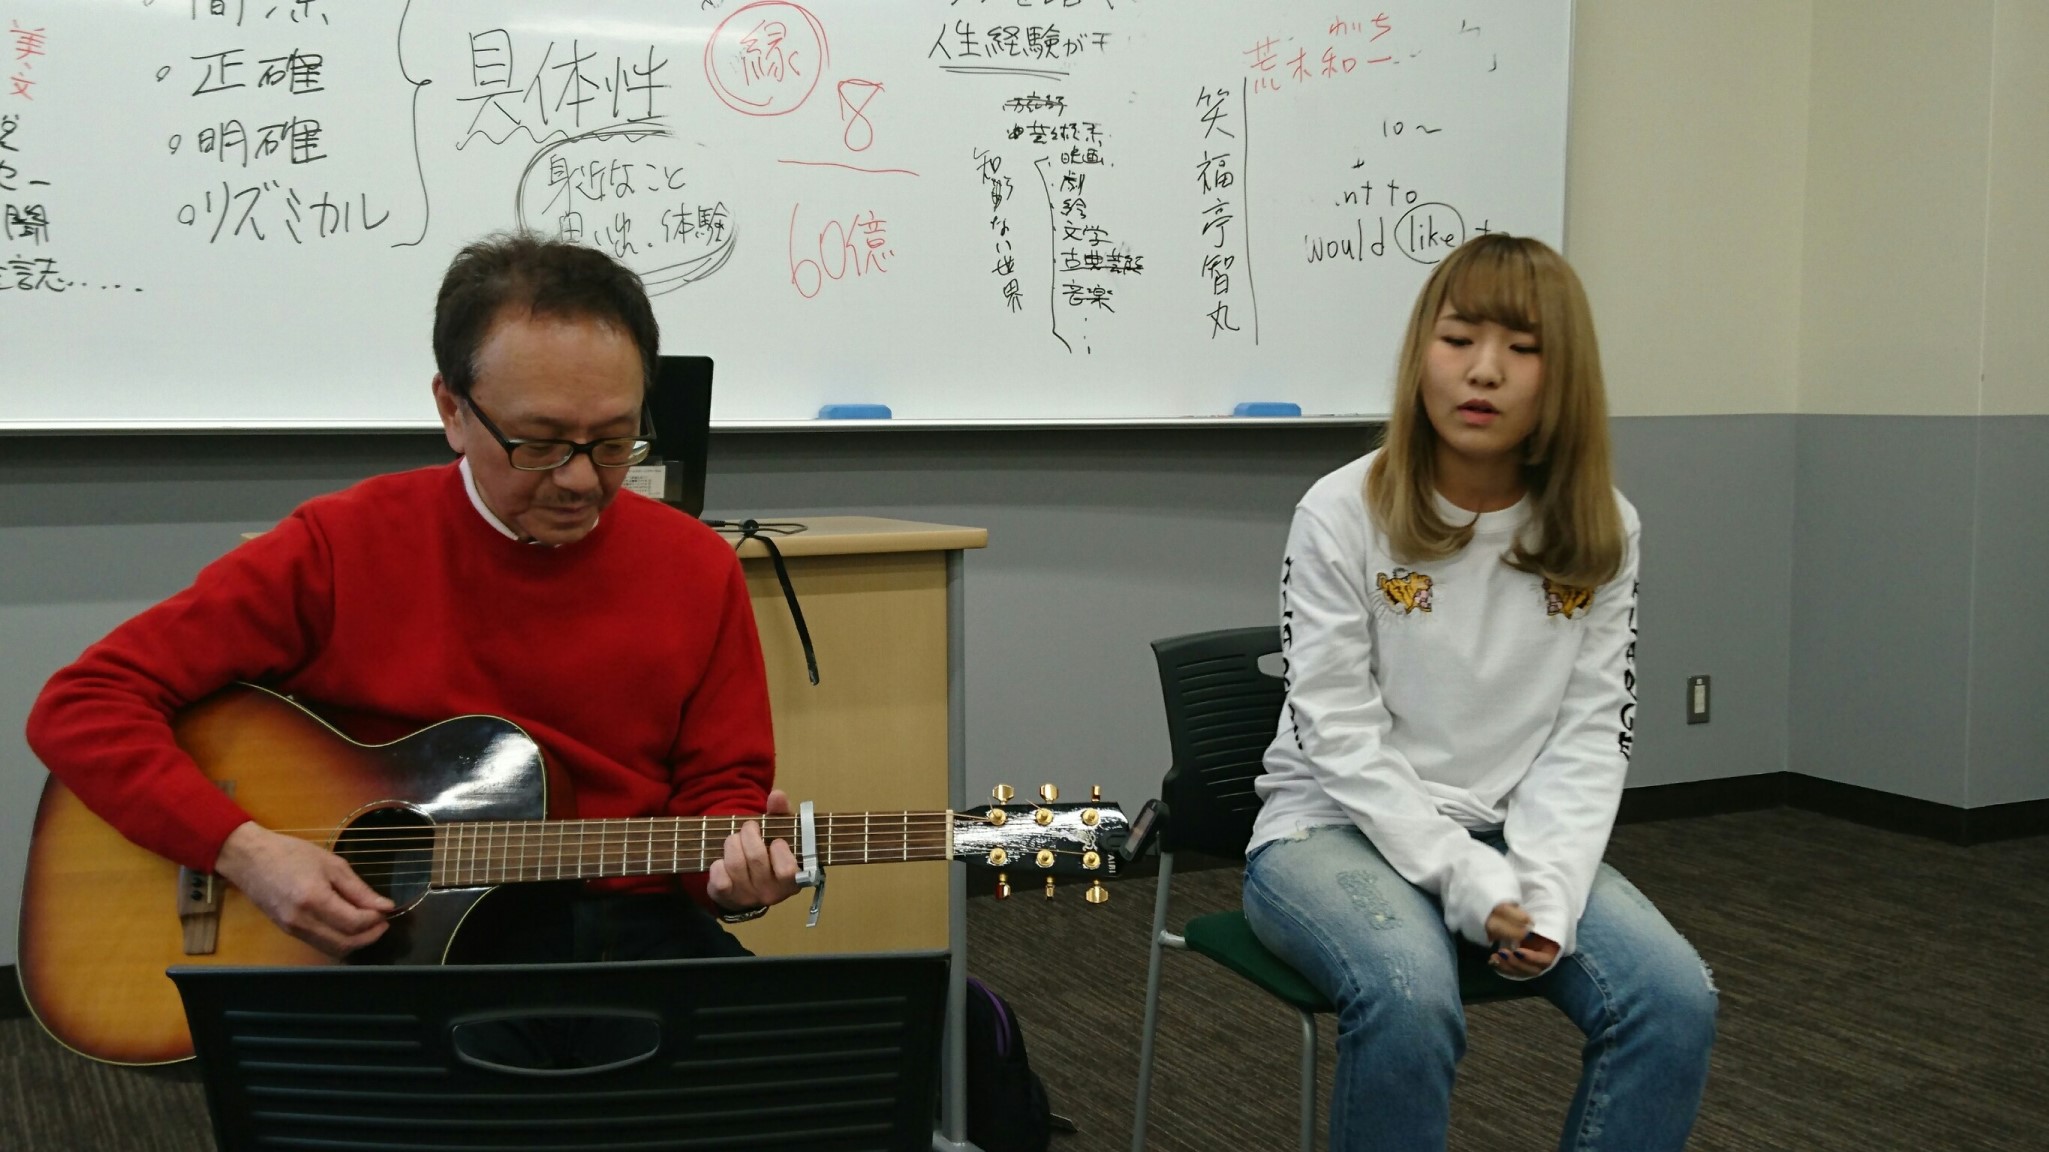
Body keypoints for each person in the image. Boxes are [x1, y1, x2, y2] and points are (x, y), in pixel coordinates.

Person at [26, 233, 800, 967]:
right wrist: (242, 849)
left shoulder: (697, 566)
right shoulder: (341, 545)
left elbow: (722, 796)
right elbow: (84, 704)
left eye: (613, 441)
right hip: (398, 944)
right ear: (452, 411)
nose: (578, 479)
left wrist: (733, 882)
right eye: (538, 443)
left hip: (630, 932)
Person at [1241, 233, 1717, 1151]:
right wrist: (1465, 878)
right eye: (1458, 339)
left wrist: (1548, 890)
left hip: (1508, 829)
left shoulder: (1604, 526)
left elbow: (1588, 735)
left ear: (1560, 376)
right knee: (1409, 995)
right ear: (1421, 353)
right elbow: (1340, 737)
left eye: (1522, 348)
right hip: (1329, 829)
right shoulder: (1340, 511)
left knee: (1672, 999)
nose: (1483, 371)